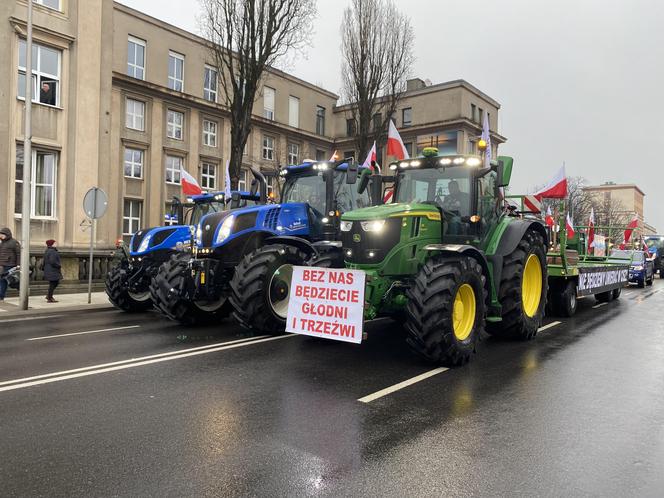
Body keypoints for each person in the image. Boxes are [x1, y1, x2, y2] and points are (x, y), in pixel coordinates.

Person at [0, 227, 21, 301]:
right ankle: (1, 296)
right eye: (0, 234)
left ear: (7, 234)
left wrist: (18, 264)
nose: (1, 236)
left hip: (11, 265)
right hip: (2, 265)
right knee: (2, 280)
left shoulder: (14, 242)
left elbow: (18, 254)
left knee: (12, 281)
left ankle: (22, 290)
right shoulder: (2, 242)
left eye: (2, 234)